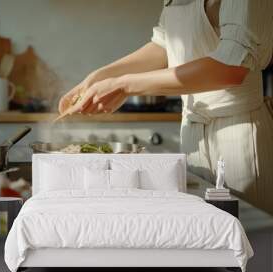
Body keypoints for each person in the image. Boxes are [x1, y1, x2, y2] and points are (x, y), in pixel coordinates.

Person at [58, 0, 273, 214]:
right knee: (202, 235)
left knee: (248, 234)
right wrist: (101, 77)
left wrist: (123, 85)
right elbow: (164, 45)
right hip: (192, 133)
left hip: (238, 134)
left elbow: (230, 68)